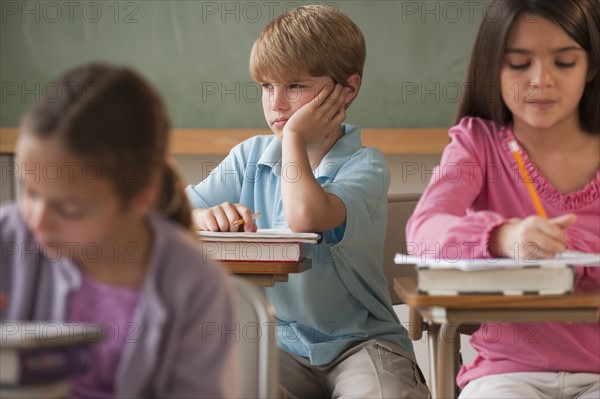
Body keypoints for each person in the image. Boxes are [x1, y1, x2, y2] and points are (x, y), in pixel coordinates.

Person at [186, 5, 430, 398]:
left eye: (295, 86)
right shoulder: (249, 158)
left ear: (348, 89)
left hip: (362, 344)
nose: (276, 104)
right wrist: (203, 214)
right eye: (267, 86)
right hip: (277, 345)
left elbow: (305, 217)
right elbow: (164, 215)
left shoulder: (365, 166)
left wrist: (294, 139)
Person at [0, 63, 239, 398]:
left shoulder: (195, 285)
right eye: (29, 191)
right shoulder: (7, 237)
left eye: (70, 209)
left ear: (142, 197)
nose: (37, 221)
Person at [406, 0, 600, 397]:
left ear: (591, 66)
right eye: (518, 63)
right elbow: (424, 231)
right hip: (507, 372)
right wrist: (502, 238)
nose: (541, 80)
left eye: (564, 62)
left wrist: (578, 248)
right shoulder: (478, 144)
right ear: (493, 68)